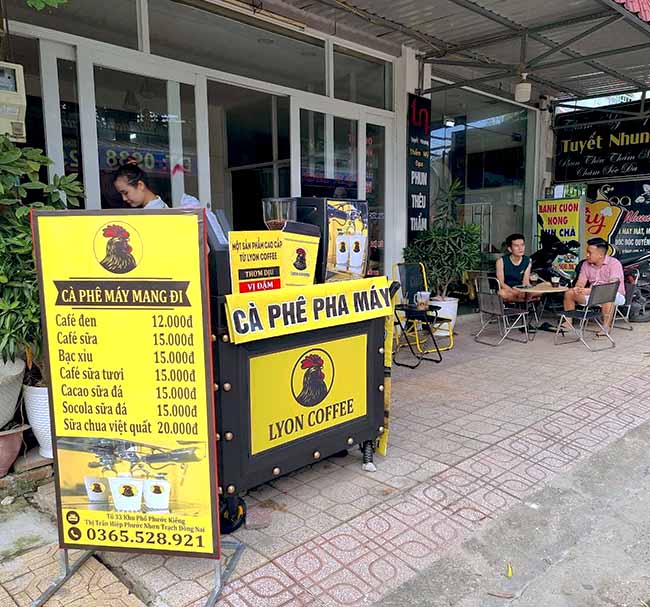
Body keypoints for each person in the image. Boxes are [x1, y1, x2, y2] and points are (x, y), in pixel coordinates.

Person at [562, 237, 625, 333]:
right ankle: (568, 322)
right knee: (569, 293)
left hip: (614, 294)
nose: (587, 255)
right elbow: (581, 281)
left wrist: (589, 291)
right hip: (592, 295)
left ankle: (606, 327)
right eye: (587, 252)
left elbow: (611, 287)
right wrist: (578, 288)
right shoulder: (585, 264)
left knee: (607, 295)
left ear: (600, 255)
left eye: (590, 253)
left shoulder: (614, 264)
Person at [495, 233, 533, 303]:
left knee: (540, 290)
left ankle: (522, 300)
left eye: (522, 245)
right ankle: (524, 301)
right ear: (510, 249)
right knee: (501, 293)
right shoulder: (501, 261)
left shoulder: (528, 260)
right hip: (508, 290)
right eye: (516, 246)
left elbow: (526, 281)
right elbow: (501, 283)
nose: (520, 248)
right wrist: (514, 292)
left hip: (521, 290)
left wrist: (526, 290)